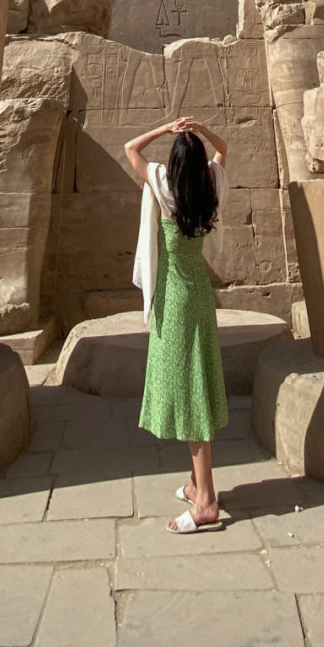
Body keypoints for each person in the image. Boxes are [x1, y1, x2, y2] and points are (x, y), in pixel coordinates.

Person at [126, 114, 230, 533]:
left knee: (189, 393)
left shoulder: (164, 187)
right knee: (196, 382)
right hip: (200, 296)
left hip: (175, 298)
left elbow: (131, 148)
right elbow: (226, 150)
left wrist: (167, 128)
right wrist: (202, 130)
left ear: (173, 164)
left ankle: (206, 501)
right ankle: (195, 483)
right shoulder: (210, 186)